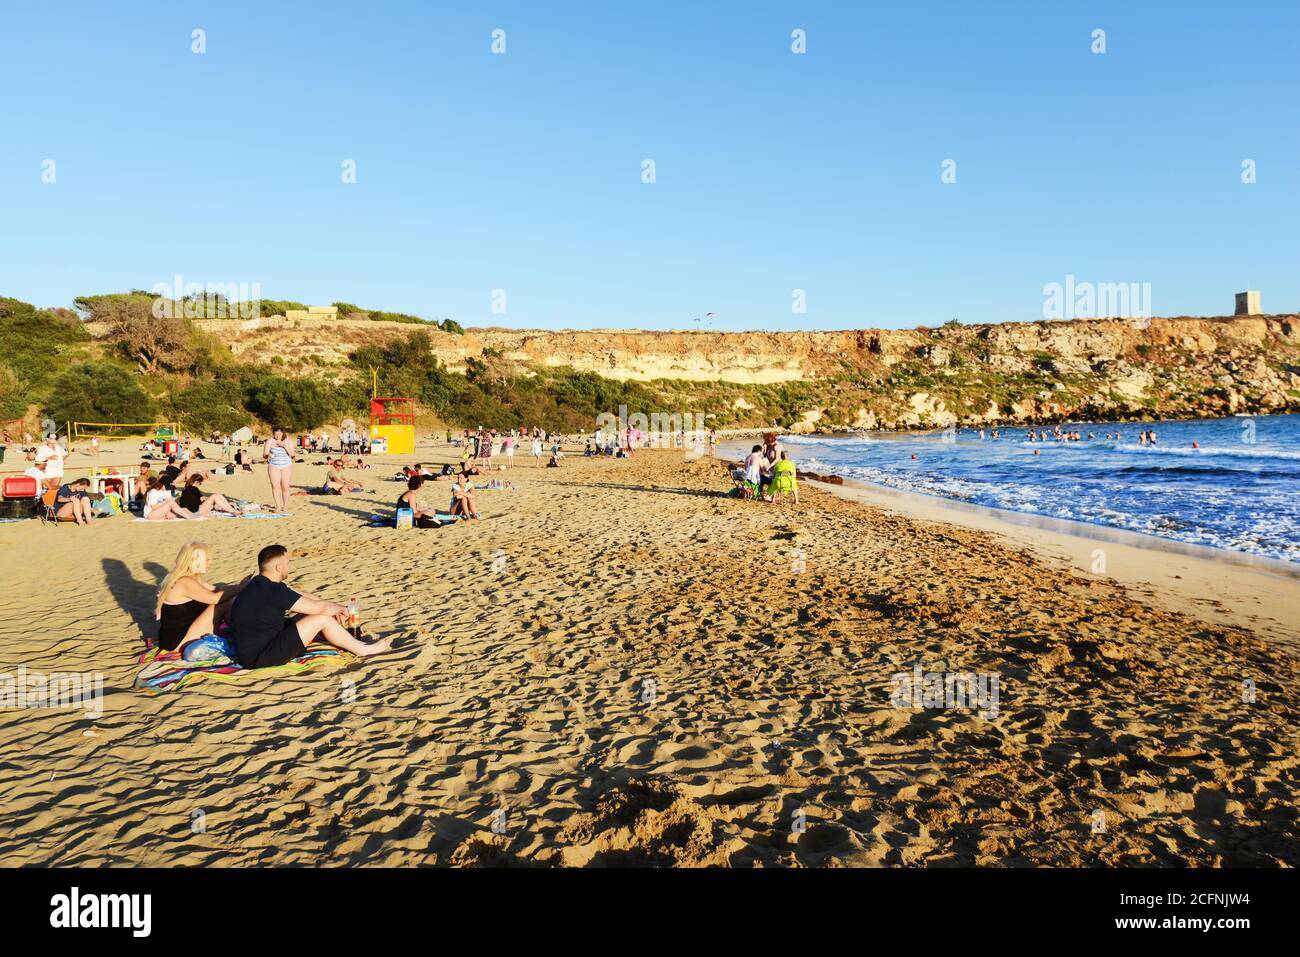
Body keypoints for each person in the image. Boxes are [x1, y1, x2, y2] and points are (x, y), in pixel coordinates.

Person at [225, 544, 392, 668]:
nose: (288, 567)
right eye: (287, 563)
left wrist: (334, 609)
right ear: (279, 567)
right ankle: (363, 651)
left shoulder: (259, 584)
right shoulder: (273, 591)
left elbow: (304, 597)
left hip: (257, 647)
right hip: (261, 657)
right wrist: (342, 610)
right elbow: (321, 609)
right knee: (321, 619)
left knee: (312, 615)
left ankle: (347, 639)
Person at [154, 542, 249, 652]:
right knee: (225, 603)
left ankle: (243, 630)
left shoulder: (187, 578)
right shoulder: (184, 582)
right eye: (207, 559)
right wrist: (243, 587)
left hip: (176, 636)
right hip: (177, 641)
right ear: (195, 561)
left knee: (228, 599)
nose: (210, 562)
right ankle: (246, 632)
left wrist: (239, 586)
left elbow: (217, 589)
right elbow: (215, 598)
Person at [177, 474, 243, 516]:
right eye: (200, 483)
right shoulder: (194, 489)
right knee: (215, 496)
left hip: (191, 510)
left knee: (216, 495)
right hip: (194, 512)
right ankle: (233, 511)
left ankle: (231, 508)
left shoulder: (186, 489)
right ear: (197, 482)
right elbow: (203, 499)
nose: (200, 485)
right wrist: (213, 500)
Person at [264, 426, 294, 512]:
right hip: (273, 465)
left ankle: (285, 506)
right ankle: (278, 506)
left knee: (285, 486)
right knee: (275, 486)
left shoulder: (288, 440)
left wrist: (284, 446)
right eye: (275, 434)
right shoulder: (269, 441)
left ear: (283, 433)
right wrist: (267, 456)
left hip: (286, 465)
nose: (277, 436)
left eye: (279, 434)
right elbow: (265, 454)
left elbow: (292, 454)